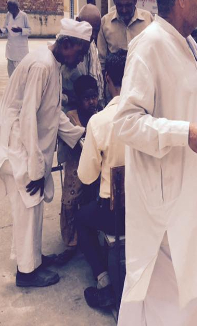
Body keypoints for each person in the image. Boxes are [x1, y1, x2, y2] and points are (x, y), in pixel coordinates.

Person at [113, 0, 197, 326]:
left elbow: (185, 103)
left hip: (188, 192)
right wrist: (186, 133)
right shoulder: (149, 45)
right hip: (162, 200)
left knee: (189, 288)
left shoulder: (187, 45)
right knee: (163, 295)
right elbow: (127, 123)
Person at [0, 19, 90, 287]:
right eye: (80, 52)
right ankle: (26, 273)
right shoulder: (42, 65)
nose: (81, 60)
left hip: (28, 146)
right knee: (28, 206)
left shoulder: (53, 64)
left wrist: (81, 136)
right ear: (66, 45)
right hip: (18, 145)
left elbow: (53, 112)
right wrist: (35, 168)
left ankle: (34, 260)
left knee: (34, 207)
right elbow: (27, 118)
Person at [76, 50, 127, 308]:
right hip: (148, 208)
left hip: (115, 215)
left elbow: (87, 176)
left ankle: (104, 280)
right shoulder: (151, 114)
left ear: (107, 78)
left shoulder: (99, 121)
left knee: (82, 218)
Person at [56, 75, 99, 265]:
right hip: (76, 166)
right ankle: (71, 244)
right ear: (78, 98)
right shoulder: (70, 117)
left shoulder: (100, 114)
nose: (91, 102)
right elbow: (72, 140)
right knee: (70, 202)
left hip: (95, 165)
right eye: (86, 98)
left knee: (92, 200)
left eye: (94, 97)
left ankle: (89, 236)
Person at [97, 0, 153, 70]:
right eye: (119, 5)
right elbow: (101, 61)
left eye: (128, 5)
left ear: (135, 0)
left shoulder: (148, 20)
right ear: (114, 0)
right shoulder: (105, 23)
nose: (124, 10)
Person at [62, 4, 104, 112]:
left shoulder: (91, 45)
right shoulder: (66, 48)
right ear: (78, 21)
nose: (93, 35)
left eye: (96, 31)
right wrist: (69, 99)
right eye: (89, 29)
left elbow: (96, 78)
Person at [0, 0, 31, 77]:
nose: (7, 9)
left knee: (21, 77)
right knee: (11, 76)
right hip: (11, 51)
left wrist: (20, 30)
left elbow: (29, 31)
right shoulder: (8, 15)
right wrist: (0, 30)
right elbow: (5, 29)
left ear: (15, 7)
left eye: (9, 7)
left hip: (21, 52)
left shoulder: (23, 16)